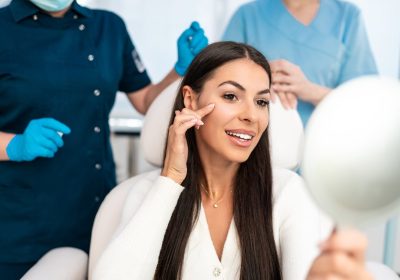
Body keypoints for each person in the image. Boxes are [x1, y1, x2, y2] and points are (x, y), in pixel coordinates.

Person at [92, 42, 372, 280]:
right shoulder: (146, 193)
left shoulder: (288, 193)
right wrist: (171, 179)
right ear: (190, 100)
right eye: (231, 96)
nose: (251, 115)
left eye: (262, 102)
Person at [0, 0, 208, 278]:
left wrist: (180, 71)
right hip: (20, 224)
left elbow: (146, 101)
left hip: (95, 210)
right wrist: (14, 145)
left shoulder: (108, 27)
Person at [222, 0, 378, 126]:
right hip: (256, 144)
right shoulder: (247, 15)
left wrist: (311, 91)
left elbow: (364, 103)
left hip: (327, 147)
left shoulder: (348, 17)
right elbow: (221, 84)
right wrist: (257, 77)